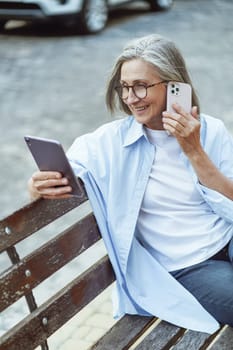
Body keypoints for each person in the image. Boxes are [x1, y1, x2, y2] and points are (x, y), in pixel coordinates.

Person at [28, 34, 233, 333]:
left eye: (141, 86)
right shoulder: (108, 144)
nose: (130, 97)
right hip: (186, 267)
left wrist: (194, 151)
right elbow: (61, 172)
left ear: (174, 85)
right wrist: (36, 188)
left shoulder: (211, 130)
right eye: (124, 87)